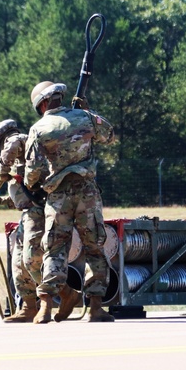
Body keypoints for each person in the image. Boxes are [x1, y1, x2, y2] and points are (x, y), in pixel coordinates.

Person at [25, 81, 116, 323]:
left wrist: (36, 185)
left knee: (54, 248)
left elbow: (32, 171)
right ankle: (96, 307)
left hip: (58, 197)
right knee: (94, 246)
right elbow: (109, 135)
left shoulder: (39, 128)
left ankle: (45, 307)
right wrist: (90, 111)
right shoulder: (84, 117)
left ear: (41, 104)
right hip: (87, 192)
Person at [0, 119, 81, 323]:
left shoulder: (22, 142)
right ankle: (28, 305)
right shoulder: (20, 161)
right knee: (18, 263)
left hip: (39, 212)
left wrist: (3, 168)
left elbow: (15, 142)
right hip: (27, 214)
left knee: (32, 259)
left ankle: (65, 293)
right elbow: (20, 197)